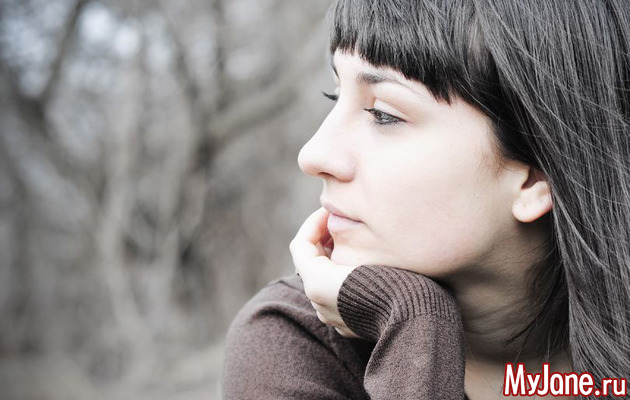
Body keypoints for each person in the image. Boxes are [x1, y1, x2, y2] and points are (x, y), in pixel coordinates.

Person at [222, 0, 630, 398]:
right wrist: (413, 322)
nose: (313, 155)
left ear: (535, 178)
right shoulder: (295, 343)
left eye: (383, 114)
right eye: (335, 96)